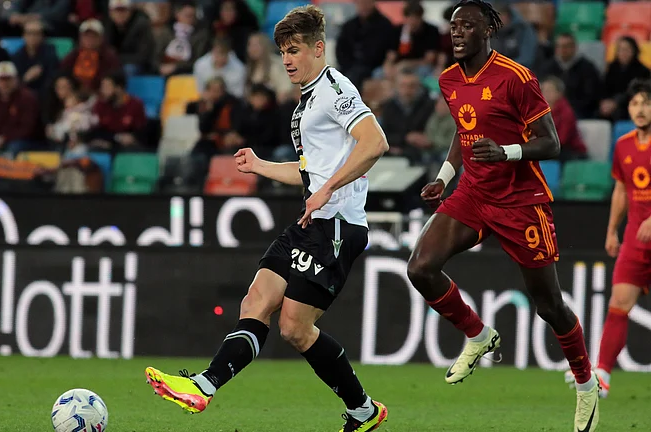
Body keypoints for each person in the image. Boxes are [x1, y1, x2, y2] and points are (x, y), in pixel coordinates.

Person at [145, 6, 391, 432]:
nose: (288, 59)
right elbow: (311, 170)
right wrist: (261, 165)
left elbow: (375, 142)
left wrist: (328, 189)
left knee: (295, 328)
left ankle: (365, 410)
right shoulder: (306, 102)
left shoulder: (335, 88)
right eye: (282, 52)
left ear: (319, 48)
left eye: (295, 50)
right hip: (312, 219)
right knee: (255, 301)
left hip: (337, 225)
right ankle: (203, 386)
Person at [406, 1, 599, 431]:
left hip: (521, 201)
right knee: (420, 268)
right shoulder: (448, 79)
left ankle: (586, 386)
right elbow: (463, 129)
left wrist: (508, 151)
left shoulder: (516, 77)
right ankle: (478, 334)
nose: (457, 33)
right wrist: (443, 176)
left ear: (487, 31)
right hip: (473, 193)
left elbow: (551, 143)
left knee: (549, 305)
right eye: (453, 26)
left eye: (467, 26)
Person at [564, 79, 651, 400]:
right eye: (635, 104)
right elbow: (621, 189)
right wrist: (612, 229)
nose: (640, 110)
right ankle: (601, 374)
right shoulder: (624, 145)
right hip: (635, 239)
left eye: (646, 103)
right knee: (618, 304)